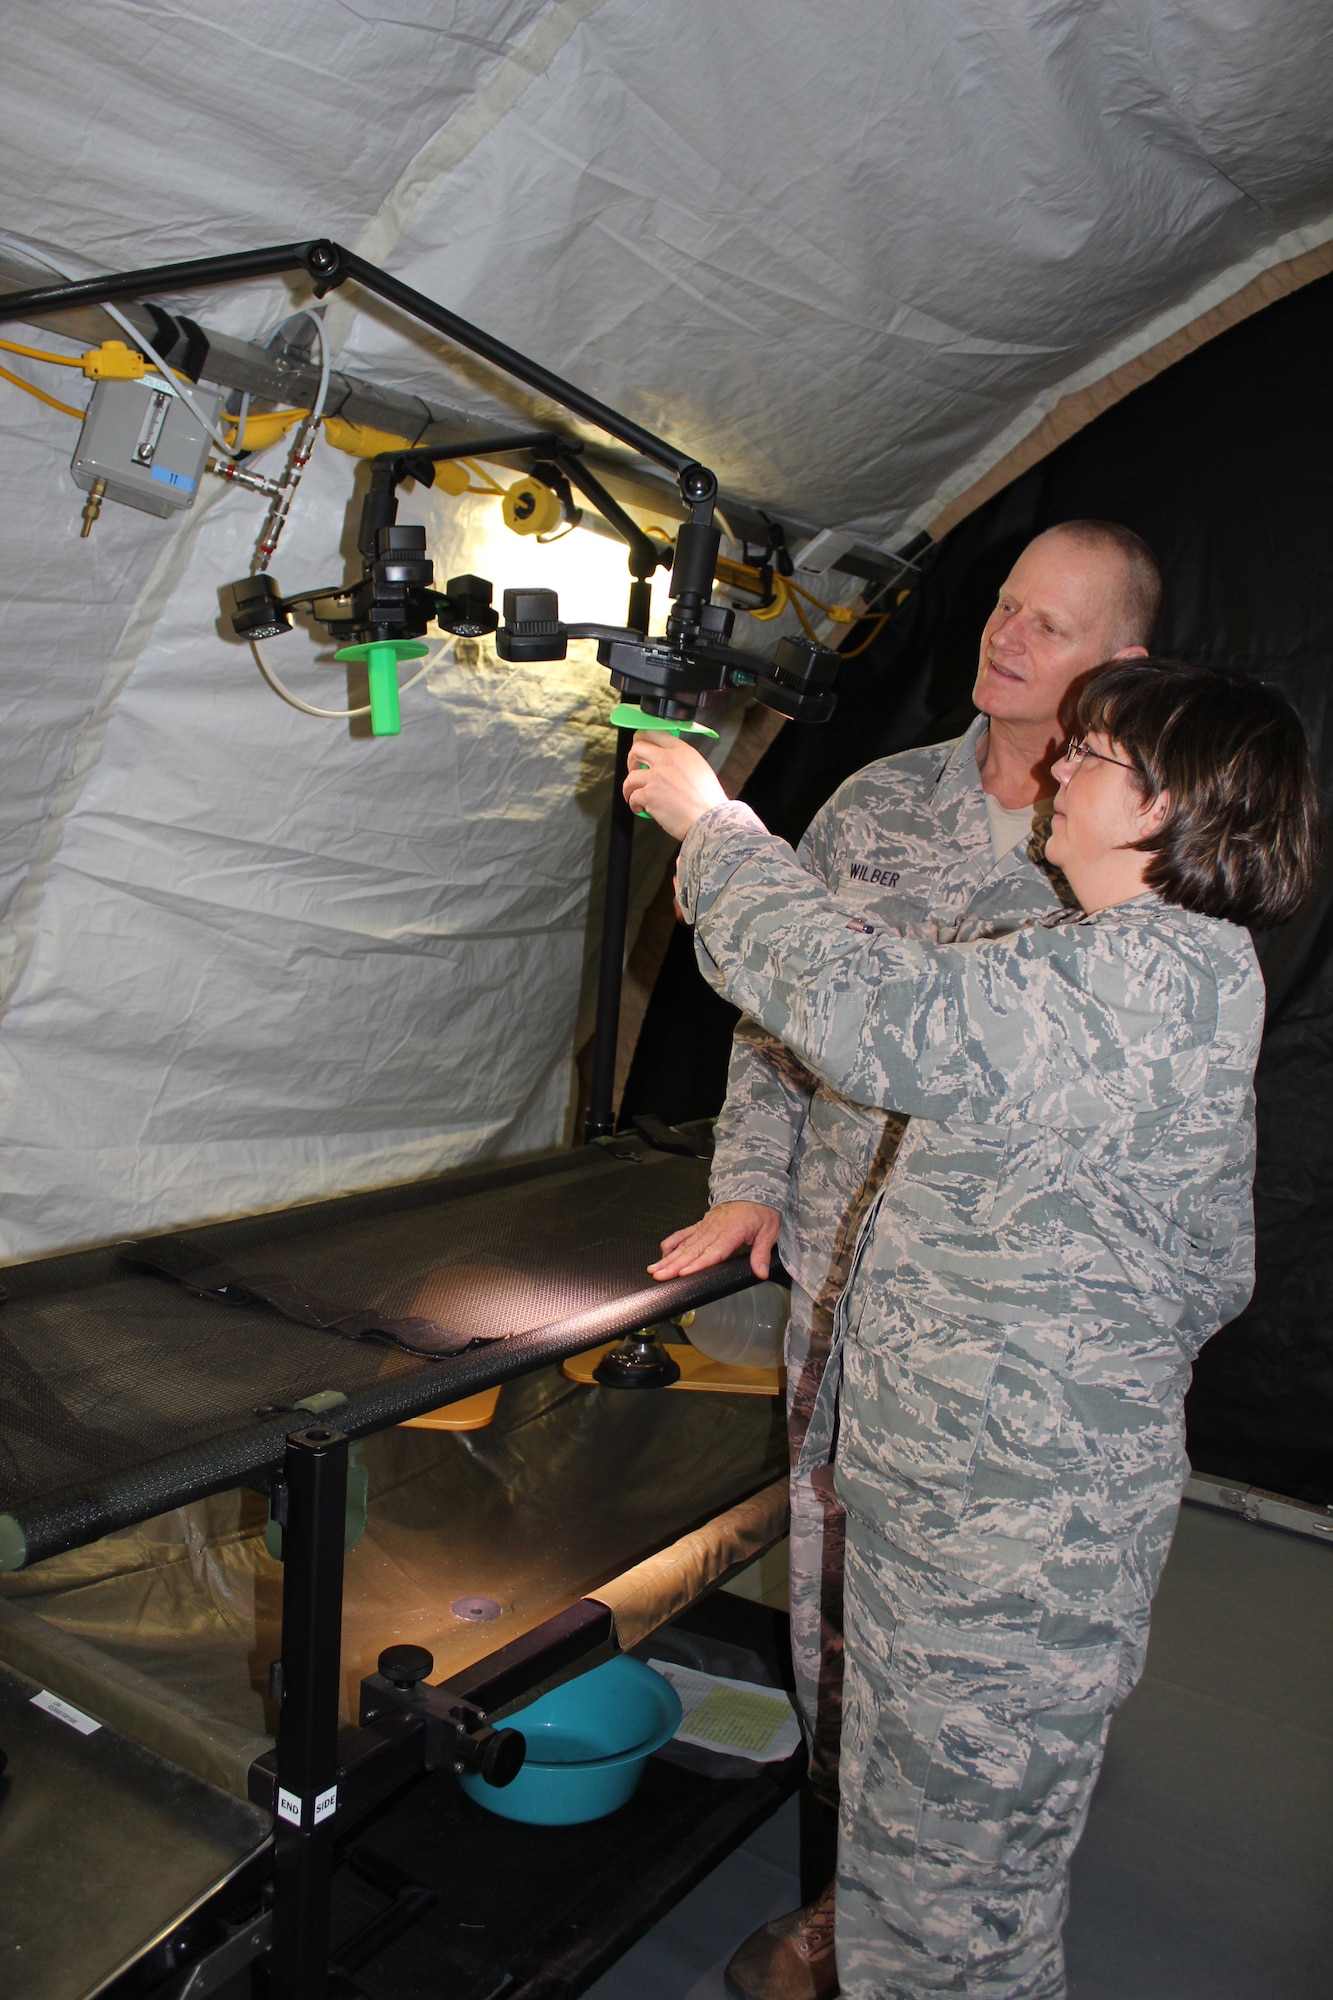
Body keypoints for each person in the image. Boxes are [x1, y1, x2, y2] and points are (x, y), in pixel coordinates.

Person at [627, 660, 1319, 2000]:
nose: (1056, 770)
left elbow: (875, 1014)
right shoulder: (1100, 964)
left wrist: (716, 829)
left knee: (955, 1931)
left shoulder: (1147, 978)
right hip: (961, 1505)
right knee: (904, 1880)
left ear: (1170, 807)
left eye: (1095, 757)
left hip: (1011, 1548)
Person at [648, 520, 1163, 2000]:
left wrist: (712, 834)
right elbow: (775, 1013)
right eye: (1003, 608)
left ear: (1118, 665)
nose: (1004, 639)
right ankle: (844, 1895)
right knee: (832, 1611)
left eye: (1047, 627)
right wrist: (752, 1181)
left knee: (971, 1682)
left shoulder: (1115, 861)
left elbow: (883, 1013)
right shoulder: (880, 801)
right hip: (838, 1289)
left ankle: (924, 1917)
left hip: (993, 1353)